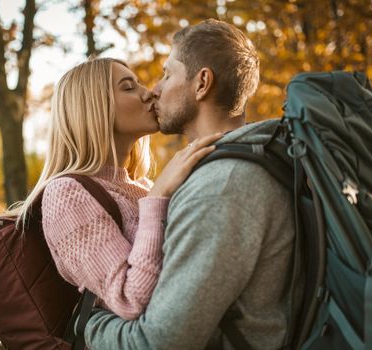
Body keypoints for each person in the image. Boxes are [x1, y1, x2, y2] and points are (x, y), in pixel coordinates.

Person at [84, 19, 298, 350]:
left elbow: (158, 343)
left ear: (202, 84)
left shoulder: (221, 188)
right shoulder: (253, 159)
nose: (154, 89)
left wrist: (90, 323)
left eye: (168, 74)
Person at [9, 57, 223, 321]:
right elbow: (129, 299)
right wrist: (159, 196)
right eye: (128, 87)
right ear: (94, 107)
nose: (149, 92)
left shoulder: (142, 187)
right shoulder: (65, 195)